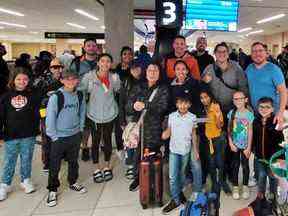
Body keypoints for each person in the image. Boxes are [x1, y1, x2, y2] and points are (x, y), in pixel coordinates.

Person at [45, 69, 87, 207]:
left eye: (73, 78)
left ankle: (73, 182)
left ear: (77, 80)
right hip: (59, 137)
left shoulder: (79, 95)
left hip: (74, 135)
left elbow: (82, 112)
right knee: (55, 164)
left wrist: (80, 129)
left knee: (73, 161)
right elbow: (50, 118)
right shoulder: (56, 97)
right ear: (62, 80)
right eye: (67, 79)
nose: (71, 81)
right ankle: (52, 189)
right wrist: (54, 136)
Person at [0, 67, 41, 201]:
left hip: (29, 134)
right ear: (13, 80)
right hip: (10, 135)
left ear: (29, 80)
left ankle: (26, 180)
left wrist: (41, 126)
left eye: (25, 79)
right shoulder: (5, 96)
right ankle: (5, 184)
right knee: (9, 160)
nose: (22, 82)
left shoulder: (34, 95)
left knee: (26, 158)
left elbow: (40, 112)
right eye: (18, 79)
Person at [126, 63, 169, 191]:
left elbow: (163, 107)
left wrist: (145, 105)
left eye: (155, 70)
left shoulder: (163, 88)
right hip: (138, 127)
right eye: (150, 70)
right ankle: (137, 178)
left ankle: (152, 179)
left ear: (159, 73)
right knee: (137, 154)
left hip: (154, 128)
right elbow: (128, 105)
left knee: (152, 154)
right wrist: (133, 106)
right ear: (146, 72)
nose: (152, 73)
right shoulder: (138, 86)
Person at [79, 53, 120, 183]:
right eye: (102, 61)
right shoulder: (89, 77)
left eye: (108, 61)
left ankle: (107, 166)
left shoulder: (114, 77)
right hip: (94, 115)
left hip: (110, 114)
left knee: (107, 141)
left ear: (111, 64)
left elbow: (118, 91)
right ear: (98, 63)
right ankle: (96, 168)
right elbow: (81, 90)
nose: (105, 64)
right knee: (95, 141)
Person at [161, 96, 200, 214]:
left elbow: (194, 134)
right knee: (173, 177)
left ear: (189, 105)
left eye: (185, 103)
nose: (182, 106)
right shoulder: (172, 116)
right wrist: (165, 134)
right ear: (177, 104)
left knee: (182, 174)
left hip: (186, 151)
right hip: (174, 150)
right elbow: (168, 132)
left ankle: (179, 193)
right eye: (180, 103)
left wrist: (196, 150)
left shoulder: (193, 117)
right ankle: (176, 200)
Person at [246, 42, 287, 128]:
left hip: (271, 115)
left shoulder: (274, 69)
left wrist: (280, 112)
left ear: (266, 53)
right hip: (254, 114)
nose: (257, 53)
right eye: (254, 51)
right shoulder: (249, 69)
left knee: (270, 140)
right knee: (256, 140)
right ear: (251, 54)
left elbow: (283, 92)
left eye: (260, 50)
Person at [70, 38, 98, 161]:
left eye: (93, 45)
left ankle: (97, 146)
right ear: (84, 47)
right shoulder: (76, 62)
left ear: (96, 47)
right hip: (82, 98)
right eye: (89, 45)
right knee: (85, 125)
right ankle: (85, 147)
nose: (91, 47)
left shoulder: (101, 61)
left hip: (99, 97)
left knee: (98, 124)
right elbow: (71, 79)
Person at [202, 42, 249, 115]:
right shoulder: (209, 69)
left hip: (233, 108)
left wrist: (244, 106)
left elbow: (243, 87)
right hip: (214, 109)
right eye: (219, 52)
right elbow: (201, 88)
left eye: (224, 51)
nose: (221, 54)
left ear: (228, 53)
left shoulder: (236, 68)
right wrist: (204, 81)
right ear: (214, 53)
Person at [253, 97, 284, 201]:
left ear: (272, 109)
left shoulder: (276, 122)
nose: (264, 109)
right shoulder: (255, 121)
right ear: (257, 108)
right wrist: (254, 151)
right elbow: (253, 138)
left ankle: (272, 194)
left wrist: (281, 158)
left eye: (267, 107)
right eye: (261, 107)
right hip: (260, 157)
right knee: (261, 176)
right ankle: (260, 195)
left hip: (273, 158)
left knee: (272, 177)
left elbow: (281, 142)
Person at [227, 91, 254, 200]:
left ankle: (245, 186)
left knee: (245, 166)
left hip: (245, 145)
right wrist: (230, 142)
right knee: (235, 165)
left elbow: (250, 131)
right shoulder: (232, 113)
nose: (238, 101)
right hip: (234, 145)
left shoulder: (249, 114)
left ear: (245, 100)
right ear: (233, 101)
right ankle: (235, 187)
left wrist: (249, 147)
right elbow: (228, 129)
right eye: (235, 99)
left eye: (240, 98)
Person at [119, 60, 143, 179]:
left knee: (141, 141)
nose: (135, 70)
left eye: (137, 67)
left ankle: (139, 164)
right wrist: (122, 120)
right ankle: (130, 166)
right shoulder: (126, 81)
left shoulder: (145, 81)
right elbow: (121, 101)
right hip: (130, 116)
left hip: (143, 116)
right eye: (133, 68)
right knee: (130, 141)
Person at [199, 89, 226, 195]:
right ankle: (215, 183)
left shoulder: (215, 106)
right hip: (207, 140)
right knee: (211, 163)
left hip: (218, 139)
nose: (204, 100)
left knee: (220, 162)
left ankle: (222, 182)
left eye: (206, 97)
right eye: (202, 98)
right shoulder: (201, 109)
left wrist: (218, 115)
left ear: (210, 96)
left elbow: (220, 126)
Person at [39, 58, 64, 172]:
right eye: (55, 67)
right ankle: (47, 162)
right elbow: (36, 96)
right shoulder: (42, 80)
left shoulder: (64, 79)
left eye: (60, 67)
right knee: (47, 137)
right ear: (50, 68)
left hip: (61, 112)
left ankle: (61, 155)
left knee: (61, 135)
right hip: (46, 112)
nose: (58, 69)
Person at [114, 46, 134, 160]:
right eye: (125, 54)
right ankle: (120, 148)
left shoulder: (135, 68)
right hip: (118, 100)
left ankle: (130, 148)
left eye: (129, 54)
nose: (127, 56)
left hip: (131, 101)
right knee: (119, 125)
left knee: (130, 125)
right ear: (121, 56)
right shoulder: (116, 69)